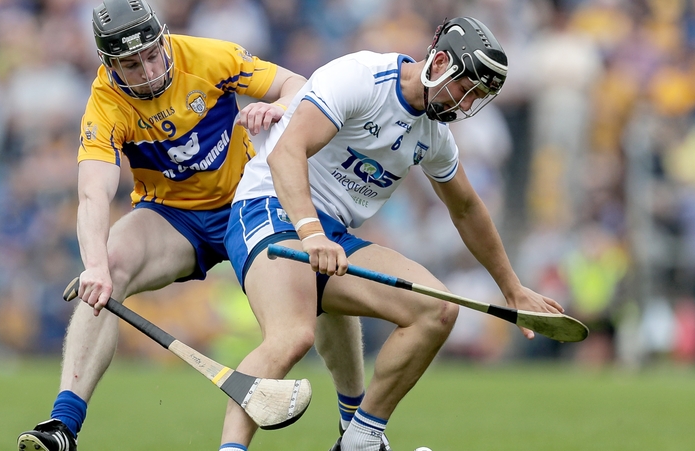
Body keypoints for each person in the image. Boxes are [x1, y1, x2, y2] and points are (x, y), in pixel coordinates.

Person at [16, 1, 373, 450]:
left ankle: (355, 430)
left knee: (323, 280)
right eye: (129, 64)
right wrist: (94, 267)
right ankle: (62, 426)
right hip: (173, 217)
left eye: (150, 53)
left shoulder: (208, 57)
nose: (146, 70)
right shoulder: (105, 104)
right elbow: (93, 194)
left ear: (163, 39)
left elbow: (296, 84)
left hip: (251, 200)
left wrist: (279, 106)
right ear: (108, 65)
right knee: (108, 269)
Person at [220, 16, 565, 451]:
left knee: (436, 310)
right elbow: (286, 151)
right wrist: (310, 234)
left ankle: (361, 440)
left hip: (332, 237)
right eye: (465, 89)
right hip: (270, 210)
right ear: (438, 62)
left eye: (478, 98)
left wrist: (512, 288)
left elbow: (466, 208)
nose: (465, 104)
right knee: (293, 336)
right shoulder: (363, 78)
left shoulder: (434, 135)